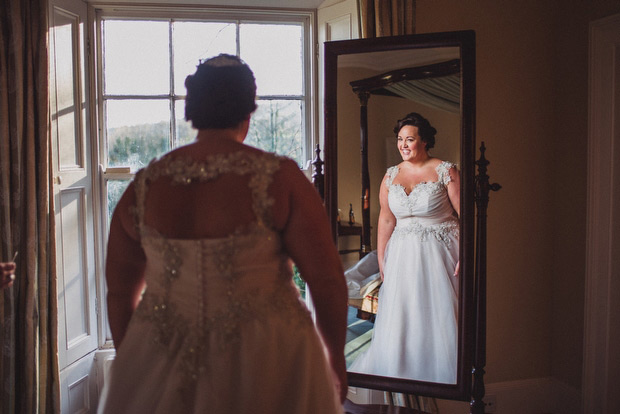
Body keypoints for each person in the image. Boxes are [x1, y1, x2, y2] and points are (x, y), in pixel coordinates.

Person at [98, 54, 348, 414]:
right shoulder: (281, 178)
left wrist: (135, 359)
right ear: (248, 111)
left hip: (160, 351)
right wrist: (335, 356)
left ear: (192, 109)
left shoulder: (144, 186)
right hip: (269, 356)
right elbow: (325, 280)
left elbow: (120, 290)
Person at [349, 112, 460, 384]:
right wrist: (383, 258)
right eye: (400, 139)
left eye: (409, 139)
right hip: (401, 255)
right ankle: (401, 369)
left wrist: (467, 253)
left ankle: (440, 375)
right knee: (404, 311)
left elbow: (465, 214)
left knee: (436, 311)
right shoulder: (391, 175)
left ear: (425, 141)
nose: (403, 145)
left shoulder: (446, 170)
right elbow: (386, 218)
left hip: (440, 252)